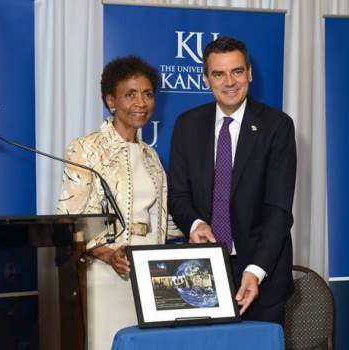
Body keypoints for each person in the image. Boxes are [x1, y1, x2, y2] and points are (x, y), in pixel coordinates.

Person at [168, 37, 297, 324]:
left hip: (262, 273)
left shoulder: (277, 126)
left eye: (237, 71)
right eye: (218, 74)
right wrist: (195, 224)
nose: (229, 82)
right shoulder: (187, 125)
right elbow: (177, 195)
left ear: (249, 73)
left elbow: (278, 210)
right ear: (206, 79)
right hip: (202, 270)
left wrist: (256, 270)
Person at [57, 56, 182, 349]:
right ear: (111, 100)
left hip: (151, 276)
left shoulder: (151, 158)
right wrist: (108, 254)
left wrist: (201, 227)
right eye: (131, 94)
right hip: (105, 277)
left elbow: (163, 223)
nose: (142, 102)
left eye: (148, 94)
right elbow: (69, 222)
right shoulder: (86, 148)